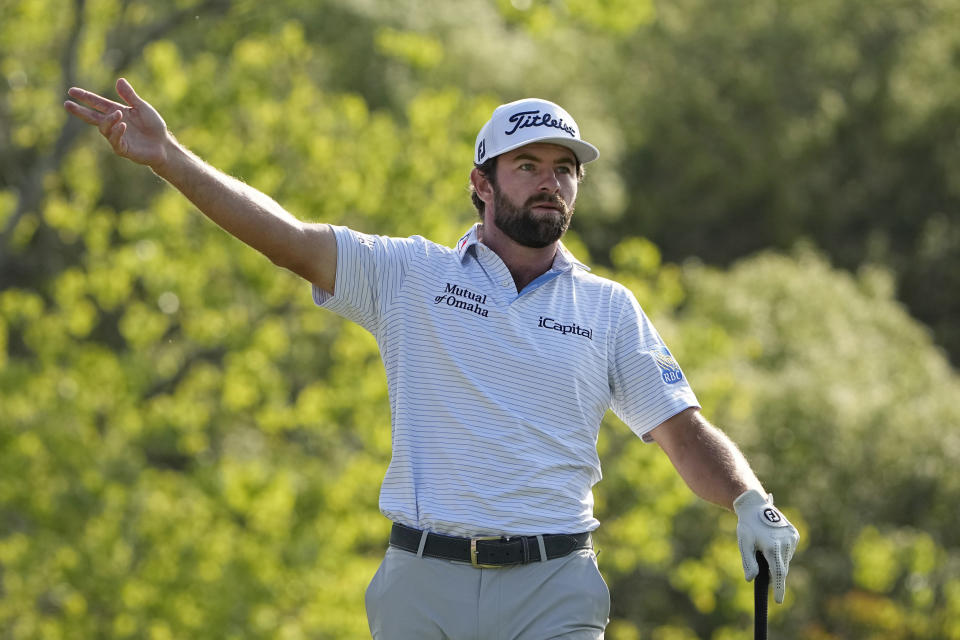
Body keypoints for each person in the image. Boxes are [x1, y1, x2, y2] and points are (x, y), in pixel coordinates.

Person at [64, 79, 799, 639]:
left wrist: (748, 499)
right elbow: (284, 236)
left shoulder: (608, 308)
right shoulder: (409, 276)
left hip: (555, 587)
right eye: (527, 165)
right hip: (424, 585)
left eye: (564, 168)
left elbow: (682, 430)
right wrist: (168, 159)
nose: (550, 180)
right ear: (482, 183)